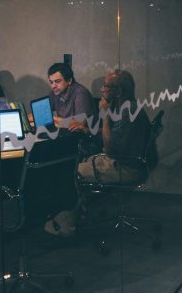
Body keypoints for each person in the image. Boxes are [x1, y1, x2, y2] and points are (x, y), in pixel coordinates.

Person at [45, 69, 151, 237]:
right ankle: (83, 213)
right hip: (122, 161)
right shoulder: (128, 106)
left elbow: (110, 149)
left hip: (125, 167)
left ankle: (69, 224)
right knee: (77, 164)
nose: (102, 90)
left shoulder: (126, 112)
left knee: (70, 173)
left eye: (106, 86)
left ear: (119, 91)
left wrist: (106, 116)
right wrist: (86, 129)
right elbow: (113, 136)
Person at [46, 62, 95, 132]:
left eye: (57, 81)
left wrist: (50, 119)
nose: (53, 86)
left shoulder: (81, 93)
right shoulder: (55, 92)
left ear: (69, 80)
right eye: (51, 82)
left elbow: (78, 124)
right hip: (66, 133)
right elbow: (40, 115)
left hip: (82, 137)